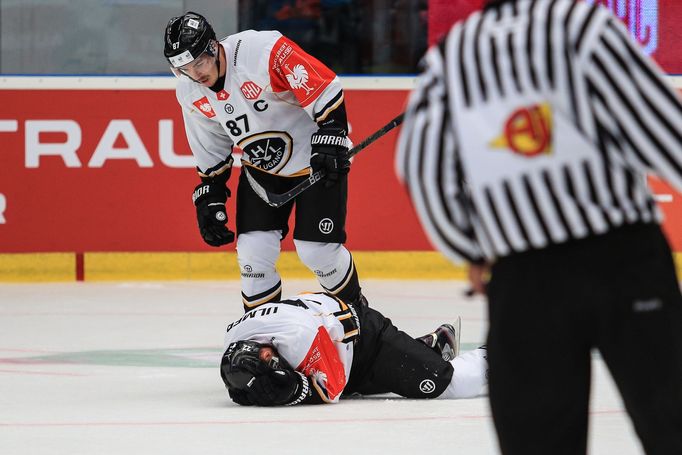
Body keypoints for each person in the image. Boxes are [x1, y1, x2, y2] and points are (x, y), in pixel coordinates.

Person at [396, 1, 682, 454]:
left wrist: (471, 248)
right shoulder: (582, 25)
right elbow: (666, 131)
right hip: (625, 261)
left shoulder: (450, 59)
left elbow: (422, 169)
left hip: (527, 281)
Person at [163, 12, 365, 311]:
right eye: (185, 69)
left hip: (315, 161)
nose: (196, 74)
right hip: (261, 171)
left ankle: (360, 322)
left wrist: (332, 130)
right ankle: (263, 337)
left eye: (199, 63)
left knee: (317, 252)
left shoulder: (261, 51)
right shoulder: (189, 91)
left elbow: (322, 85)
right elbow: (212, 144)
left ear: (212, 47)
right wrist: (211, 195)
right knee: (253, 255)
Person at [220, 291, 488, 405]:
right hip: (336, 345)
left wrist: (289, 390)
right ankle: (428, 348)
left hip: (368, 343)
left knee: (451, 384)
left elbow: (330, 388)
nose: (272, 360)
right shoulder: (232, 340)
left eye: (269, 358)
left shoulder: (299, 337)